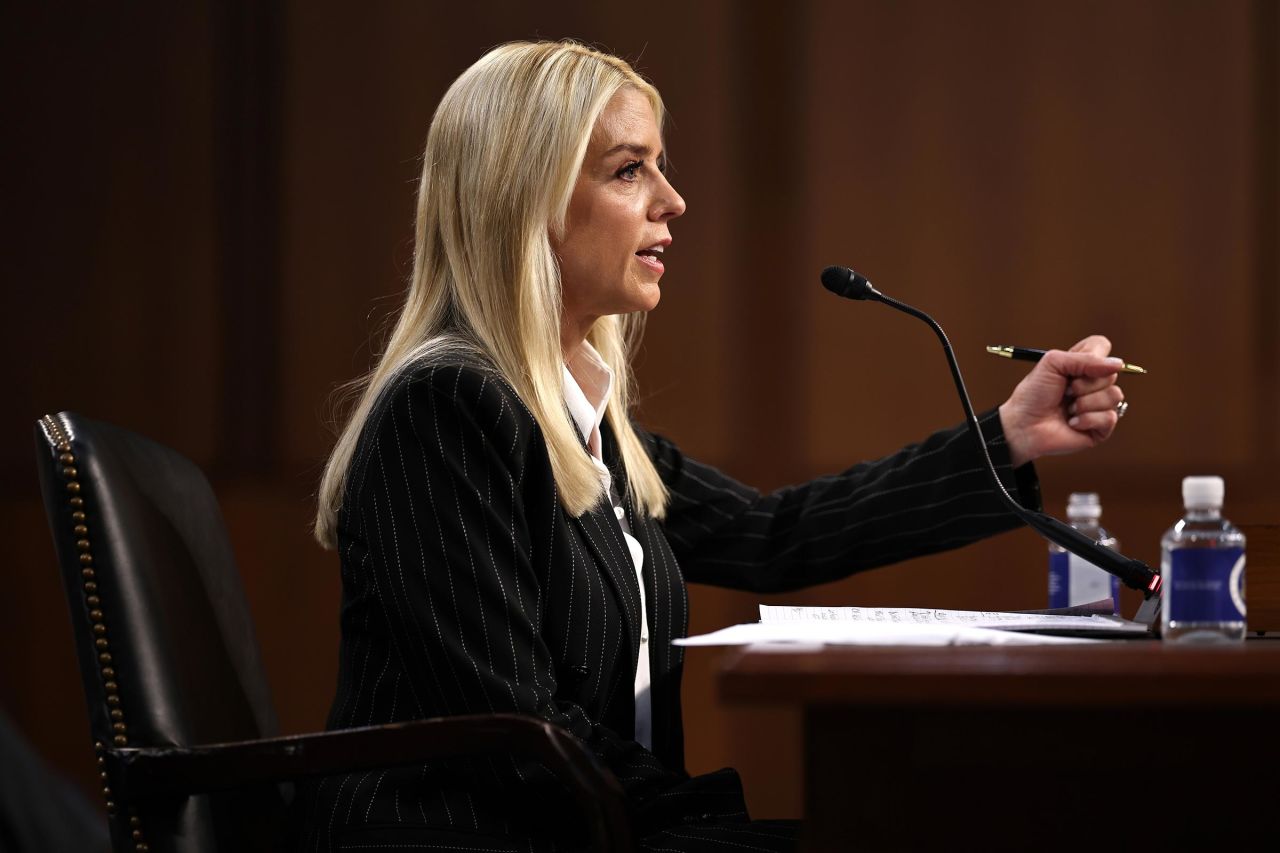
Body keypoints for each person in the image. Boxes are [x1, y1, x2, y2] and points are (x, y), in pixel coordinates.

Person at [297, 40, 1129, 852]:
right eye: (630, 170)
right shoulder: (445, 408)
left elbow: (775, 533)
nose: (673, 200)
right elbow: (513, 731)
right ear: (528, 200)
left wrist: (1011, 436)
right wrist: (719, 821)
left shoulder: (584, 424)